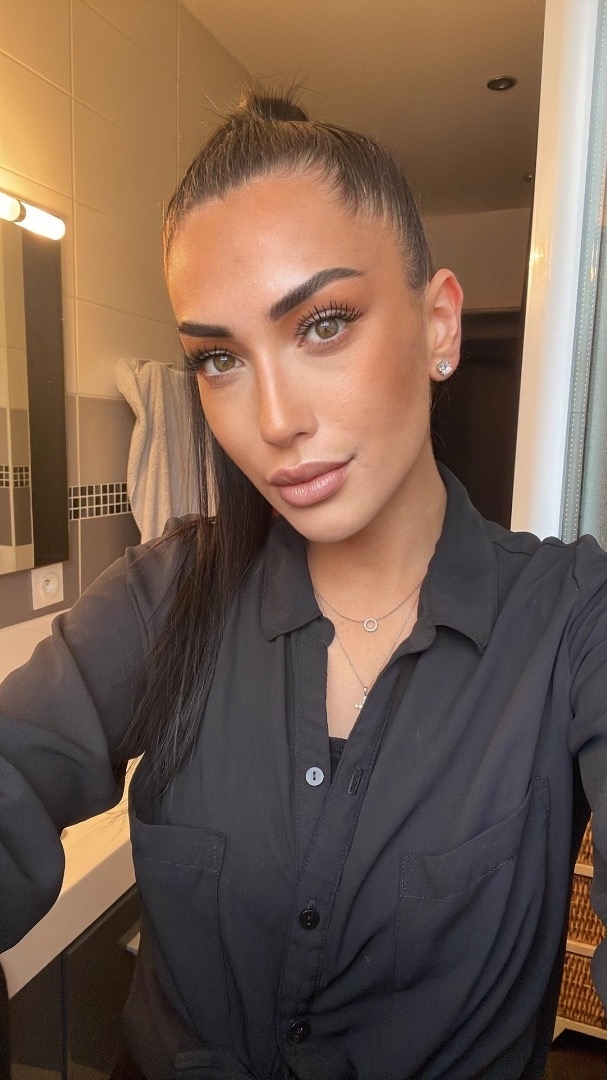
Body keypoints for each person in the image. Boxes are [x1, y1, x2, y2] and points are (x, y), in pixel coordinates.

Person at [1, 90, 606, 1080]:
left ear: (439, 325)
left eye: (322, 324)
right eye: (219, 359)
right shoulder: (167, 595)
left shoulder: (569, 620)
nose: (274, 420)